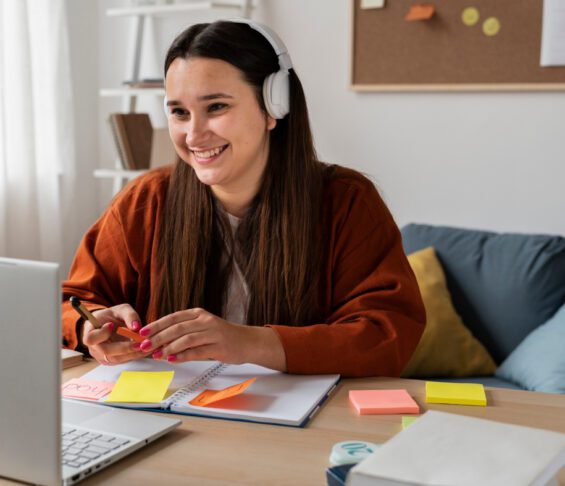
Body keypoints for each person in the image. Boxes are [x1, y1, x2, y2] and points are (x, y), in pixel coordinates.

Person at [62, 20, 425, 376]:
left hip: (302, 430)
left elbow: (388, 332)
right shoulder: (146, 201)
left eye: (216, 107)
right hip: (177, 421)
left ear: (273, 106)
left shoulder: (347, 201)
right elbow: (69, 302)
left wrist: (250, 343)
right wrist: (87, 327)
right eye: (179, 112)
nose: (193, 134)